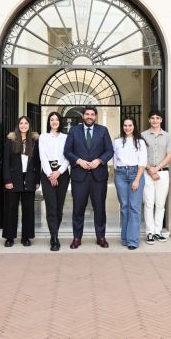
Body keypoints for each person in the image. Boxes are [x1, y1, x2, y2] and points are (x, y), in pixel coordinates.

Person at [64, 106, 114, 249]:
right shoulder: (74, 131)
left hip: (99, 177)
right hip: (79, 176)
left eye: (92, 114)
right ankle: (77, 238)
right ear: (83, 116)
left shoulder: (103, 131)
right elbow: (67, 151)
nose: (89, 116)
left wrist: (99, 160)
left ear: (96, 117)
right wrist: (78, 161)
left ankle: (101, 237)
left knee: (99, 208)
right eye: (87, 114)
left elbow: (109, 150)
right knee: (78, 209)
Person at [2, 116, 40, 247]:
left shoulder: (35, 141)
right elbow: (6, 161)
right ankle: (9, 237)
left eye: (26, 123)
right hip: (13, 179)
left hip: (29, 178)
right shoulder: (11, 140)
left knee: (28, 209)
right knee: (11, 209)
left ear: (29, 125)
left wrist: (37, 180)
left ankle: (26, 237)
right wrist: (7, 179)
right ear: (18, 125)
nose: (23, 125)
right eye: (21, 123)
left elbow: (37, 162)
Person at [141, 109, 171, 245]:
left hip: (163, 173)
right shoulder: (143, 136)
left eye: (157, 118)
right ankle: (149, 232)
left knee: (160, 204)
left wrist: (157, 168)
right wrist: (150, 169)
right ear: (149, 120)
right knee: (149, 203)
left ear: (161, 120)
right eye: (152, 118)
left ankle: (157, 231)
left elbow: (169, 155)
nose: (155, 120)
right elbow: (141, 155)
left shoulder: (167, 136)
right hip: (147, 173)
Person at [113, 117, 147, 250]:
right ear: (122, 127)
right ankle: (125, 238)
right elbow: (115, 160)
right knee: (124, 206)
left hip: (135, 173)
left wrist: (137, 179)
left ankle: (133, 240)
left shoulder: (140, 142)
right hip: (120, 174)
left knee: (134, 207)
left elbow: (143, 162)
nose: (127, 128)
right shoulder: (117, 142)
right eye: (125, 125)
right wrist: (117, 173)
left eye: (130, 125)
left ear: (134, 126)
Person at [39, 112, 70, 251]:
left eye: (57, 119)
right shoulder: (43, 137)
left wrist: (59, 172)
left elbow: (68, 156)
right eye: (52, 119)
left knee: (59, 206)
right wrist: (50, 175)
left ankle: (55, 232)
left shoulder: (66, 137)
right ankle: (54, 238)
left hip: (62, 174)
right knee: (51, 206)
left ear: (60, 122)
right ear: (49, 122)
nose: (54, 122)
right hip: (47, 174)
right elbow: (43, 156)